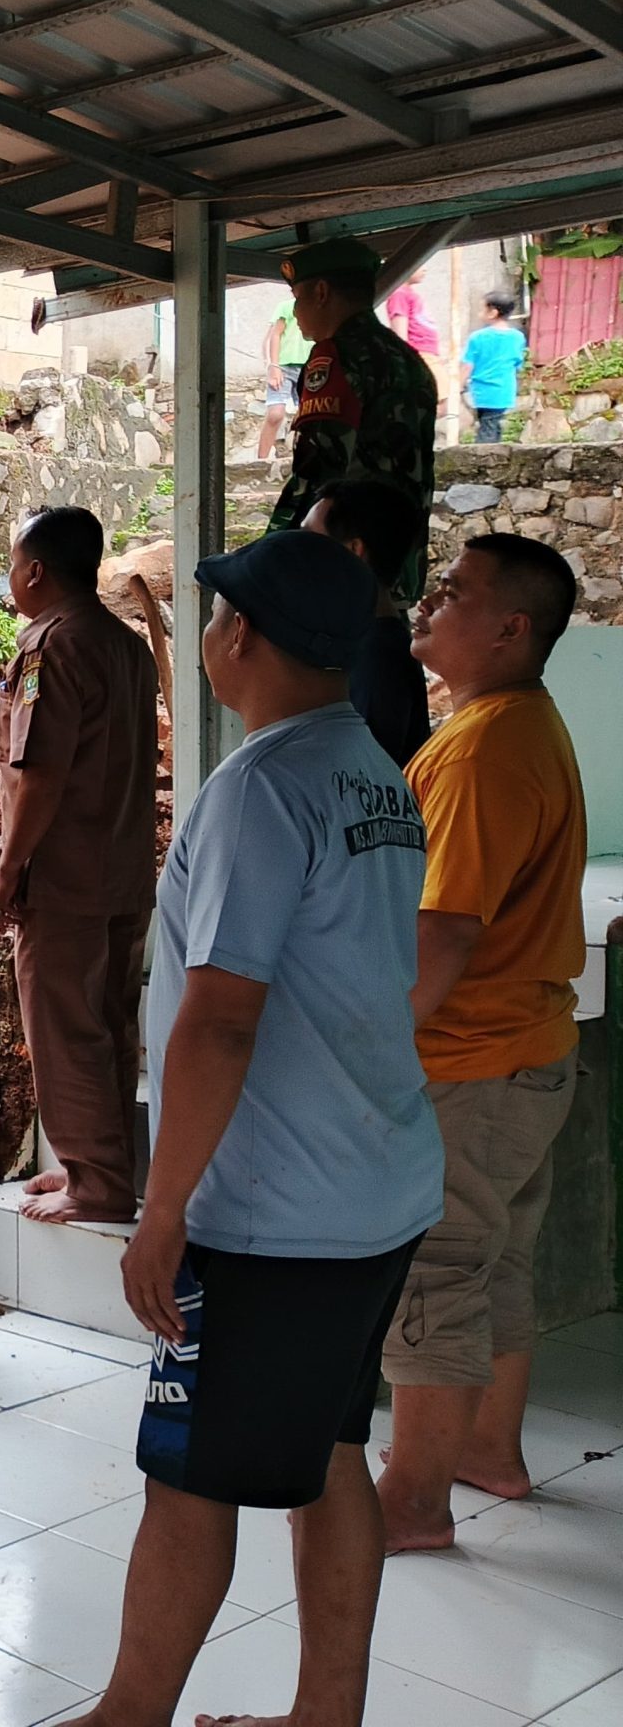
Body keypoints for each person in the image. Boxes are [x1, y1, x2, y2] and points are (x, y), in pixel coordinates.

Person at [55, 531, 442, 1727]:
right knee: (325, 1456)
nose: (208, 634)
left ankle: (127, 1716)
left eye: (218, 618)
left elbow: (219, 1020)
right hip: (372, 1186)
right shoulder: (376, 772)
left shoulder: (262, 788)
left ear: (246, 641)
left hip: (274, 1216)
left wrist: (160, 1214)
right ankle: (324, 1715)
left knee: (190, 1478)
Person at [376, 535, 587, 1553]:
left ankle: (411, 1505)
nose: (425, 605)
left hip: (466, 1063)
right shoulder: (520, 725)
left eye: (451, 594)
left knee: (435, 1272)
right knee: (494, 1263)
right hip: (526, 1052)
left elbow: (444, 929)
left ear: (511, 629)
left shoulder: (480, 749)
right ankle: (488, 1453)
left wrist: (373, 1052)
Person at [0, 507, 161, 1226]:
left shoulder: (48, 648)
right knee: (112, 1025)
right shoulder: (129, 648)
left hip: (65, 876)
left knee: (63, 1027)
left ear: (34, 572)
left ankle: (97, 1182)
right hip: (123, 867)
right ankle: (96, 1167)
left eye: (13, 564)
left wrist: (9, 867)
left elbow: (42, 772)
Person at [266, 237, 439, 598]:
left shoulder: (335, 357)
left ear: (322, 292)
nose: (295, 314)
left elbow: (318, 468)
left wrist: (271, 551)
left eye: (299, 299)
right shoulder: (408, 359)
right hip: (396, 562)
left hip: (342, 560)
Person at [302, 477, 432, 767]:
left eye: (310, 538)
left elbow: (356, 779)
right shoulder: (366, 643)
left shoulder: (378, 656)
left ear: (353, 550)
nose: (300, 552)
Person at [252, 293, 313, 463]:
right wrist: (273, 365)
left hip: (309, 366)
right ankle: (261, 461)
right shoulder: (286, 307)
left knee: (308, 415)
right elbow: (275, 335)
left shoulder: (318, 309)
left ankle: (305, 457)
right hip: (284, 367)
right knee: (275, 413)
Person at [462, 292, 527, 445]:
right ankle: (495, 456)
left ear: (493, 313)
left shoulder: (477, 337)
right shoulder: (517, 337)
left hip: (481, 391)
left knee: (487, 428)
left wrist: (458, 385)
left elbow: (467, 365)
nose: (479, 313)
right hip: (504, 391)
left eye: (482, 309)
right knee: (493, 424)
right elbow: (518, 364)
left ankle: (482, 461)